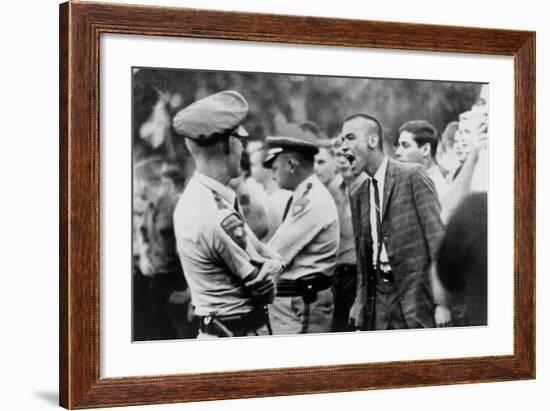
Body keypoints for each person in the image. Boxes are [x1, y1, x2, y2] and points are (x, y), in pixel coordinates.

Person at [172, 90, 283, 338]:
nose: (242, 148)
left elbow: (260, 250)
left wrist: (273, 262)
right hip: (238, 337)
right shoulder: (217, 214)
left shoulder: (202, 197)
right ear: (228, 143)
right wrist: (276, 265)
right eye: (240, 139)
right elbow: (265, 290)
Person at [341, 113, 450, 330]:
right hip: (378, 300)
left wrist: (442, 303)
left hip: (416, 299)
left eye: (350, 138)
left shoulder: (413, 176)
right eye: (343, 140)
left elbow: (438, 241)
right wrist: (359, 302)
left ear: (372, 141)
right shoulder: (358, 194)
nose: (344, 147)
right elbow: (364, 260)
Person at [263, 124, 340, 334]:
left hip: (301, 304)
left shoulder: (311, 200)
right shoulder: (304, 194)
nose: (272, 175)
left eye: (274, 167)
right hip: (295, 303)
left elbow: (275, 252)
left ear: (290, 164)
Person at [395, 120, 449, 201]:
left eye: (405, 145)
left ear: (425, 149)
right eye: (398, 145)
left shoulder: (437, 190)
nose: (397, 152)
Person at [249, 145, 292, 241]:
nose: (250, 170)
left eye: (253, 165)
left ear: (266, 168)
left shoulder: (279, 199)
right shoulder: (266, 197)